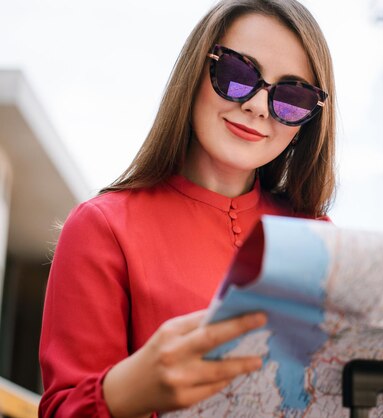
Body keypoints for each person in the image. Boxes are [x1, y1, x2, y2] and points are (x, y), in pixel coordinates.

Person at [38, 0, 336, 416]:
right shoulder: (102, 227)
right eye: (238, 74)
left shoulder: (321, 238)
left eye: (291, 97)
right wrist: (129, 389)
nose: (258, 106)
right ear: (196, 70)